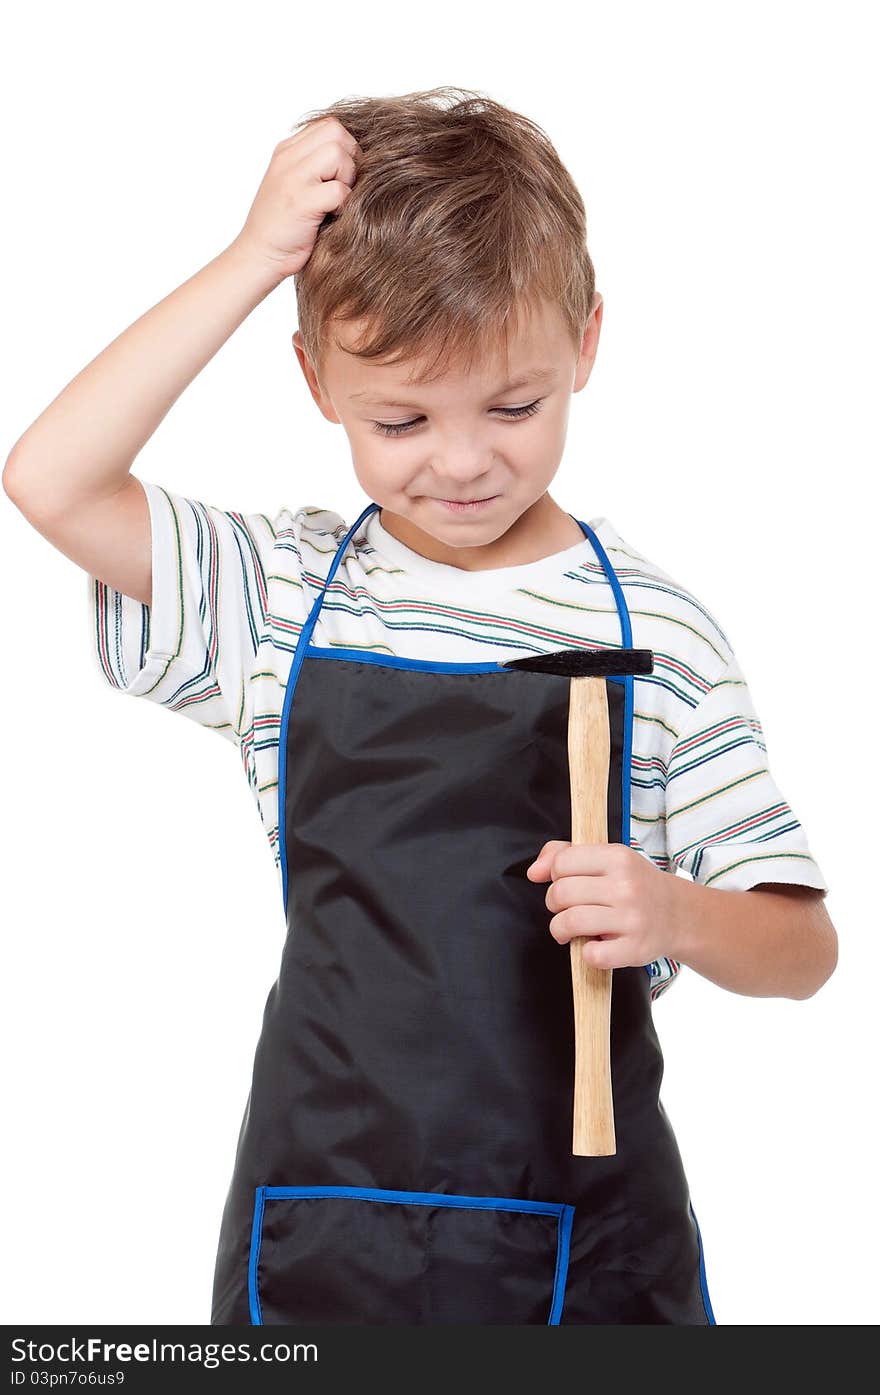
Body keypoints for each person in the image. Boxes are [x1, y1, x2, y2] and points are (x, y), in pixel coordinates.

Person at [3, 86, 837, 1326]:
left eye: (514, 405)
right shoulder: (285, 597)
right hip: (315, 1222)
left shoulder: (652, 632)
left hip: (583, 1251)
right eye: (400, 417)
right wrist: (255, 258)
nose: (460, 461)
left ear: (588, 344)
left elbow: (801, 952)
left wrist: (672, 909)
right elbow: (51, 480)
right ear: (316, 381)